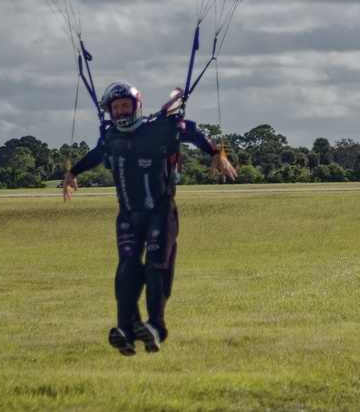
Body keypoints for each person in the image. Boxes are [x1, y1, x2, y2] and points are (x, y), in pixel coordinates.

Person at [63, 81, 237, 356]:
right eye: (115, 107)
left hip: (161, 212)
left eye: (125, 106)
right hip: (128, 215)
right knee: (127, 268)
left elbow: (189, 131)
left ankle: (156, 326)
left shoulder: (160, 128)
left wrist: (216, 153)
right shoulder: (111, 137)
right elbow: (98, 153)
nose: (120, 112)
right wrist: (74, 172)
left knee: (157, 266)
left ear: (136, 106)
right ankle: (126, 329)